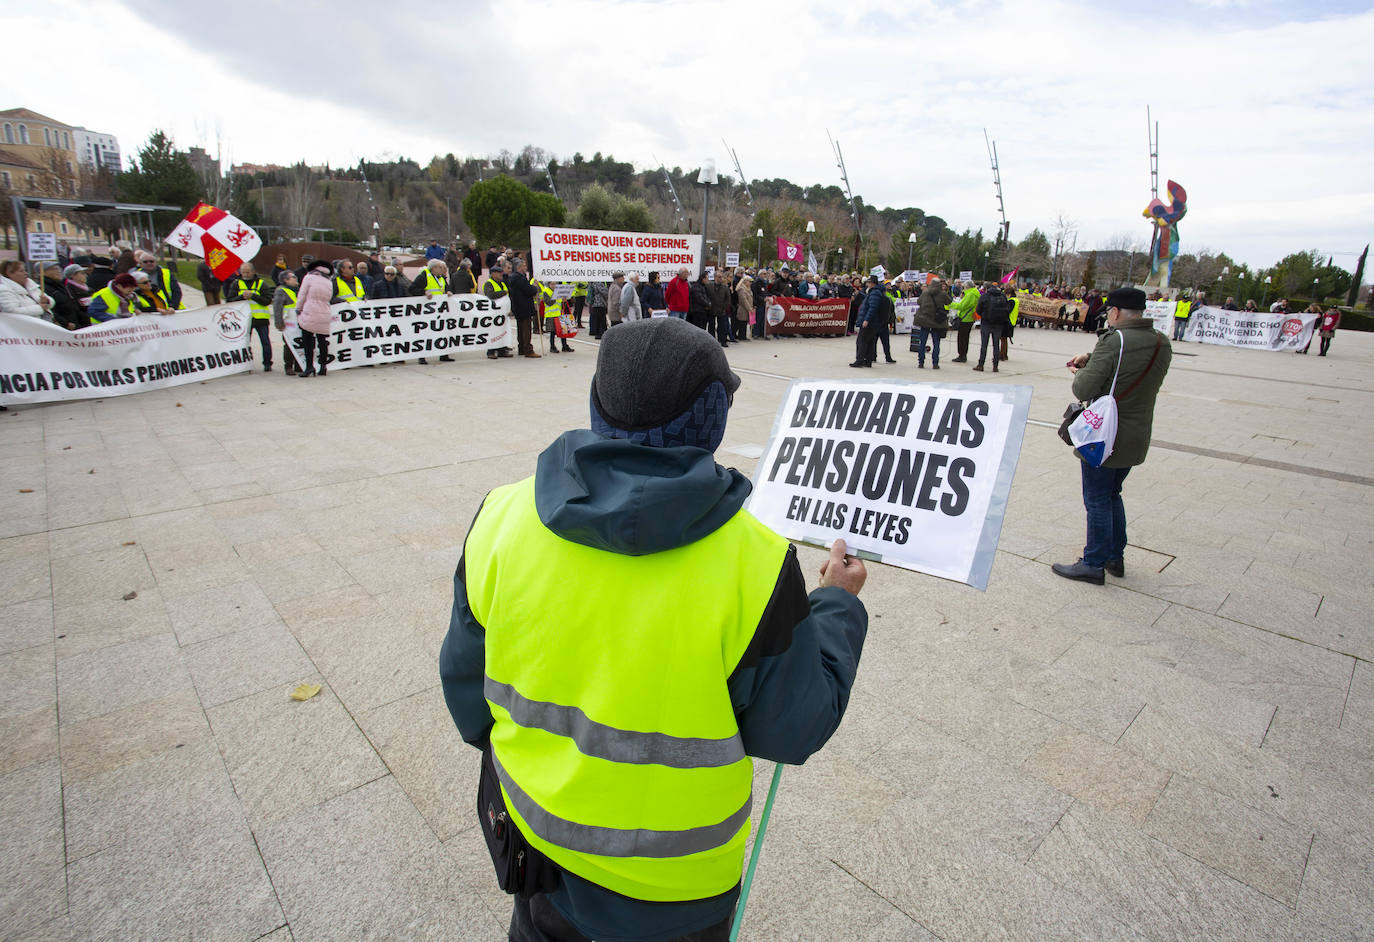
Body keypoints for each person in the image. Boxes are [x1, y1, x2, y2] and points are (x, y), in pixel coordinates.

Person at [439, 316, 869, 942]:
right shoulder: (756, 562)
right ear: (712, 421)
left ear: (598, 404)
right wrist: (837, 604)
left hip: (534, 845)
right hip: (674, 892)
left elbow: (464, 690)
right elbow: (794, 727)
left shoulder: (502, 516)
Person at [1052, 287, 1172, 585]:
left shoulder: (1114, 340)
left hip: (1105, 436)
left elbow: (1084, 389)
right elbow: (1131, 364)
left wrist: (1082, 370)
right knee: (1112, 493)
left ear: (1115, 312)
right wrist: (1093, 357)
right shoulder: (1160, 341)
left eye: (1109, 312)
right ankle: (1114, 556)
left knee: (1096, 498)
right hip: (1136, 434)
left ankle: (1093, 562)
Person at [226, 262, 274, 371]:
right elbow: (229, 300)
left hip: (261, 318)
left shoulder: (262, 284)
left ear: (253, 271)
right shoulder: (236, 284)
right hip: (244, 320)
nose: (245, 274)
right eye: (243, 272)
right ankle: (245, 364)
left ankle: (267, 364)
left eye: (248, 272)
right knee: (244, 343)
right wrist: (241, 297)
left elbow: (267, 300)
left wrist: (253, 296)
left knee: (265, 342)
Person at [294, 260, 335, 378]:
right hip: (324, 312)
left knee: (308, 341)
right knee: (322, 341)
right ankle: (323, 366)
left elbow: (302, 295)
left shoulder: (309, 277)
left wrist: (298, 309)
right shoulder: (328, 281)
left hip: (310, 311)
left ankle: (309, 367)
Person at [413, 259, 455, 363]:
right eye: (440, 267)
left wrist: (448, 291)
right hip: (427, 310)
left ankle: (443, 354)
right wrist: (424, 292)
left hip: (440, 310)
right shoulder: (423, 276)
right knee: (426, 333)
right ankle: (422, 357)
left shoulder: (441, 278)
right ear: (434, 268)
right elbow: (412, 289)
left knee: (442, 332)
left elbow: (445, 287)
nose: (443, 270)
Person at [972, 283, 1011, 373]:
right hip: (999, 323)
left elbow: (978, 310)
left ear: (986, 288)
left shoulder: (985, 296)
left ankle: (981, 364)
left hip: (986, 322)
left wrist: (984, 315)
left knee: (984, 345)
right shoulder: (1003, 296)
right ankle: (995, 366)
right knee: (996, 345)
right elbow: (1007, 309)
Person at [913, 278, 951, 369]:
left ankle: (921, 362)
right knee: (936, 343)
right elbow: (949, 301)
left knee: (922, 342)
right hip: (937, 321)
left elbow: (919, 302)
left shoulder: (925, 293)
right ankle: (935, 363)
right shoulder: (942, 294)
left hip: (925, 320)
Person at [508, 259, 541, 358]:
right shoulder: (519, 278)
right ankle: (528, 349)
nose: (525, 267)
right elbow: (529, 290)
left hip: (519, 306)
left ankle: (522, 348)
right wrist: (535, 287)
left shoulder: (515, 277)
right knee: (526, 329)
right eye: (524, 266)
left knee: (521, 328)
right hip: (524, 306)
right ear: (519, 267)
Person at [850, 275, 883, 367]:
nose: (867, 284)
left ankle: (859, 360)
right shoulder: (875, 292)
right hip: (874, 321)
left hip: (870, 321)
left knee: (862, 340)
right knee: (870, 341)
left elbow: (873, 308)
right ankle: (868, 360)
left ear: (872, 283)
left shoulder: (875, 293)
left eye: (868, 282)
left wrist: (866, 319)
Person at [482, 266, 515, 359]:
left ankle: (501, 350)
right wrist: (503, 292)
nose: (501, 274)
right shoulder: (489, 284)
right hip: (493, 313)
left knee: (502, 332)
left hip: (503, 313)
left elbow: (507, 298)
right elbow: (490, 295)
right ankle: (490, 351)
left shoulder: (502, 283)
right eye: (498, 273)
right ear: (493, 274)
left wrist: (510, 309)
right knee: (493, 332)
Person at [273, 270, 301, 375]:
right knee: (289, 345)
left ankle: (299, 365)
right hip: (288, 324)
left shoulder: (298, 290)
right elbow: (277, 308)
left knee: (299, 344)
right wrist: (279, 323)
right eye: (293, 277)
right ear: (286, 280)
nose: (295, 278)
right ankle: (288, 366)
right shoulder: (281, 291)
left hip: (299, 322)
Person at [950, 280, 980, 362]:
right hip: (969, 317)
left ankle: (962, 355)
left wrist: (950, 304)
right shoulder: (973, 293)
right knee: (965, 337)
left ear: (967, 287)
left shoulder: (970, 294)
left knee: (962, 337)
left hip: (965, 318)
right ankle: (963, 354)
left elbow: (962, 306)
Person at [734, 269, 755, 346]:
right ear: (745, 281)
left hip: (748, 309)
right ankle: (741, 336)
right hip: (743, 309)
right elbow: (744, 300)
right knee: (742, 323)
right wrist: (749, 308)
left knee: (745, 323)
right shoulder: (742, 289)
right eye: (749, 281)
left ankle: (743, 336)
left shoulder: (748, 289)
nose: (750, 283)